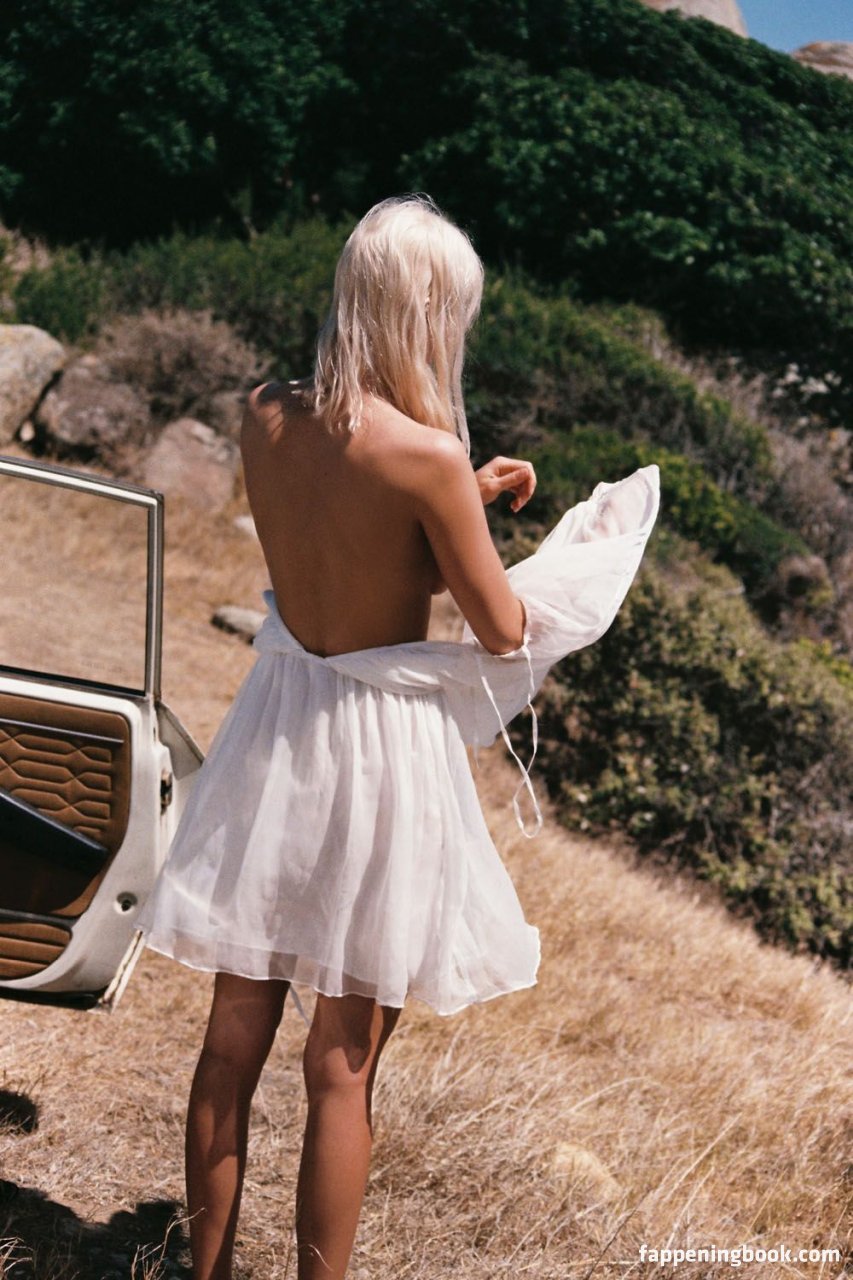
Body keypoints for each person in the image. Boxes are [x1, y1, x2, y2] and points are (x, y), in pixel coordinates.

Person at [135, 192, 660, 1280]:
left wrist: (458, 498)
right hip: (378, 756)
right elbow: (501, 627)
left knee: (231, 1039)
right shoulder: (427, 457)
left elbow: (341, 533)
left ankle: (203, 1273)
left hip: (279, 722)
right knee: (342, 1066)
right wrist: (489, 513)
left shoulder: (261, 412)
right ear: (428, 314)